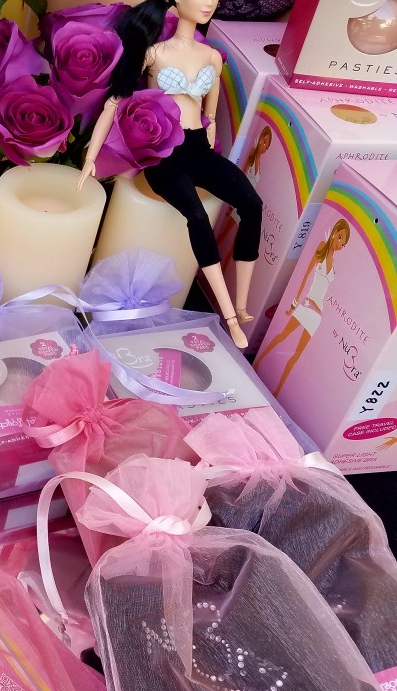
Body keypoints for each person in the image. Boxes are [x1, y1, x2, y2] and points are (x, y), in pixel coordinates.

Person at [79, 0, 263, 349]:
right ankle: (230, 318)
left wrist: (213, 158)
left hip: (198, 149)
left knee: (252, 204)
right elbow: (114, 103)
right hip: (164, 153)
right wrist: (91, 157)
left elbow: (210, 117)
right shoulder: (154, 53)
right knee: (197, 216)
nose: (209, 2)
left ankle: (241, 304)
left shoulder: (212, 58)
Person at [254, 219, 350, 395]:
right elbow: (305, 276)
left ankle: (277, 391)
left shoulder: (334, 264)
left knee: (296, 355)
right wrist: (294, 303)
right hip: (307, 305)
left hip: (317, 315)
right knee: (282, 336)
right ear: (335, 232)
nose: (340, 244)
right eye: (340, 238)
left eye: (343, 244)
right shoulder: (321, 248)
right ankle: (258, 362)